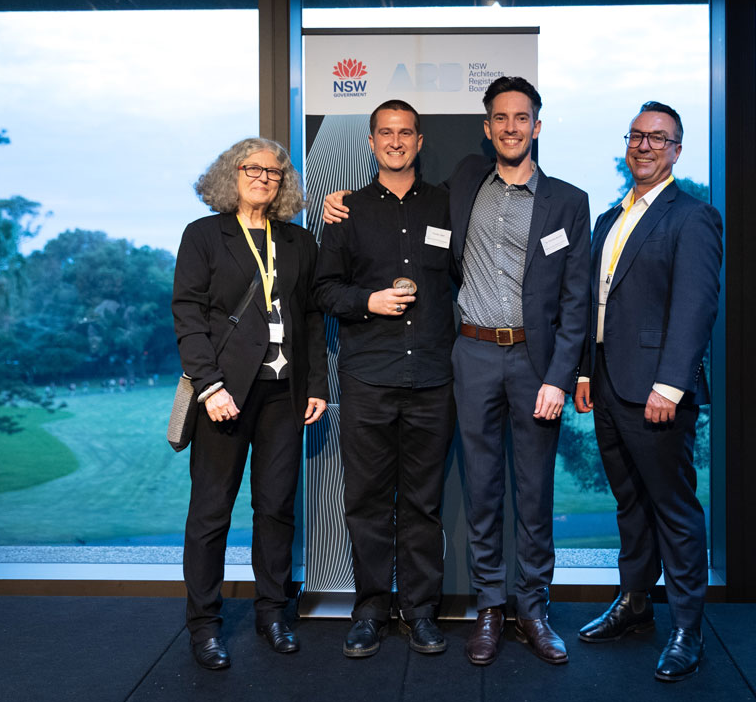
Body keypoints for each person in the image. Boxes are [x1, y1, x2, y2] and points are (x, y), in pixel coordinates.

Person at [324, 76, 589, 666]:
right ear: (487, 127)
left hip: (533, 361)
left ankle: (534, 608)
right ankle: (491, 607)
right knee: (482, 489)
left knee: (534, 489)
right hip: (468, 356)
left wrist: (565, 375)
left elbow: (576, 298)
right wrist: (334, 202)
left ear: (536, 127)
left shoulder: (565, 201)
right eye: (501, 118)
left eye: (522, 118)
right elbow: (348, 258)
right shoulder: (467, 181)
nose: (512, 127)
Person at [573, 102, 722, 682]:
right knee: (630, 504)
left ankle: (688, 627)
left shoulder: (693, 217)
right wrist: (585, 373)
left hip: (657, 390)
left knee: (674, 509)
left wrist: (671, 383)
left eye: (657, 138)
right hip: (608, 385)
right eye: (636, 136)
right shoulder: (610, 219)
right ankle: (635, 605)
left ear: (677, 150)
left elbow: (696, 306)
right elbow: (595, 302)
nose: (644, 145)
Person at [172, 137, 329, 670]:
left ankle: (272, 613)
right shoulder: (203, 236)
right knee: (212, 511)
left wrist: (317, 385)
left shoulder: (297, 241)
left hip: (284, 394)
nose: (264, 178)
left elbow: (310, 317)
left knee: (276, 508)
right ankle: (204, 625)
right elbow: (188, 314)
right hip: (226, 395)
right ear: (231, 174)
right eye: (253, 168)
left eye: (275, 172)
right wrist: (210, 387)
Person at [313, 100, 456, 658]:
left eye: (405, 132)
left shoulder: (449, 205)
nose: (395, 141)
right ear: (371, 142)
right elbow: (324, 290)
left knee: (423, 504)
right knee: (368, 499)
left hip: (433, 377)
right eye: (385, 133)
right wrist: (368, 301)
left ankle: (421, 613)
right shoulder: (346, 211)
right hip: (368, 376)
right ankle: (371, 609)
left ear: (419, 141)